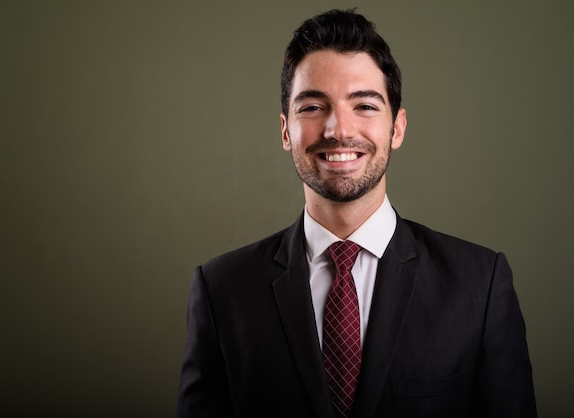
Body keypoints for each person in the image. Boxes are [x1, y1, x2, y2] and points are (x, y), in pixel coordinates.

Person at [177, 9, 536, 418]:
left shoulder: (479, 285)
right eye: (312, 106)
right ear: (284, 131)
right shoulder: (221, 290)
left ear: (397, 128)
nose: (338, 130)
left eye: (364, 105)